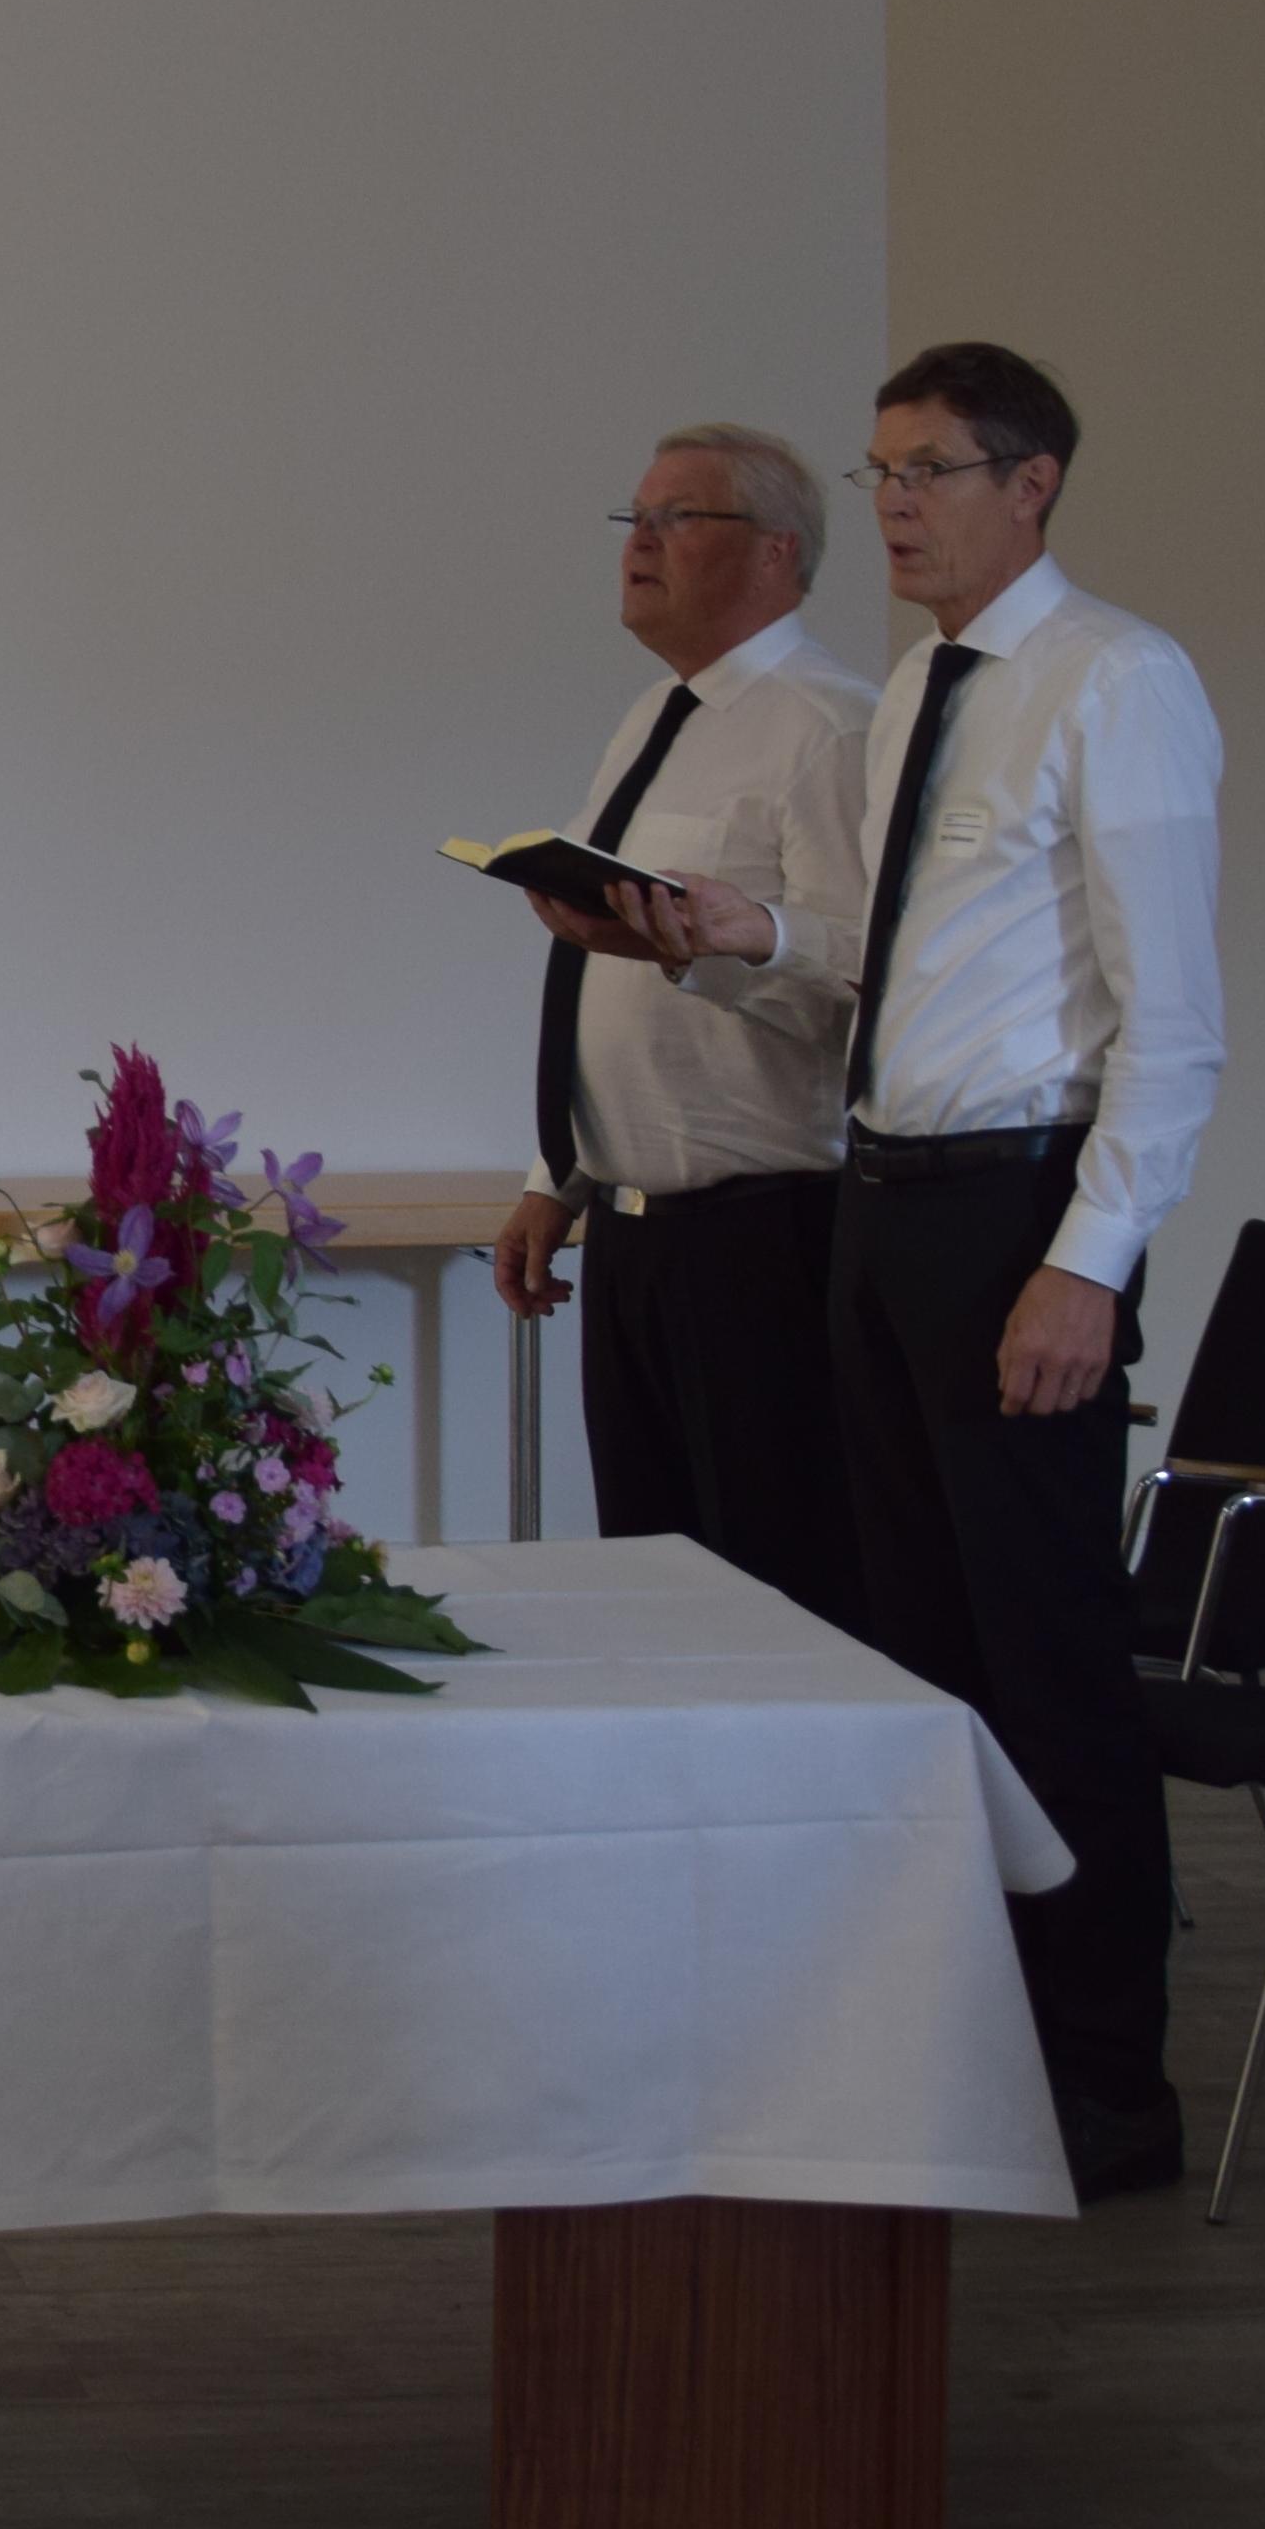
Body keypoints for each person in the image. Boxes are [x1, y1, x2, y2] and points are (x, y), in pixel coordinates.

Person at [613, 343, 1224, 2200]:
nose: (892, 505)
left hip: (1013, 1213)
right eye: (877, 471)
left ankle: (1108, 2079)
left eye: (930, 471)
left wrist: (1087, 1264)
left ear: (1033, 485)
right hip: (881, 1203)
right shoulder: (910, 695)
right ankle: (968, 2036)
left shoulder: (1114, 680)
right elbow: (890, 966)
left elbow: (1174, 1027)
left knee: (1046, 1658)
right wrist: (749, 934)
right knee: (918, 1652)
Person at [480, 426, 876, 1639]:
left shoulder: (830, 729)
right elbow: (614, 972)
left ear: (777, 552)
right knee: (654, 1588)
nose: (639, 542)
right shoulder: (658, 714)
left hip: (764, 1237)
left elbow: (863, 979)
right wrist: (560, 1173)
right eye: (635, 517)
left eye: (678, 517)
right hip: (637, 1235)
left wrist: (705, 951)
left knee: (774, 1595)